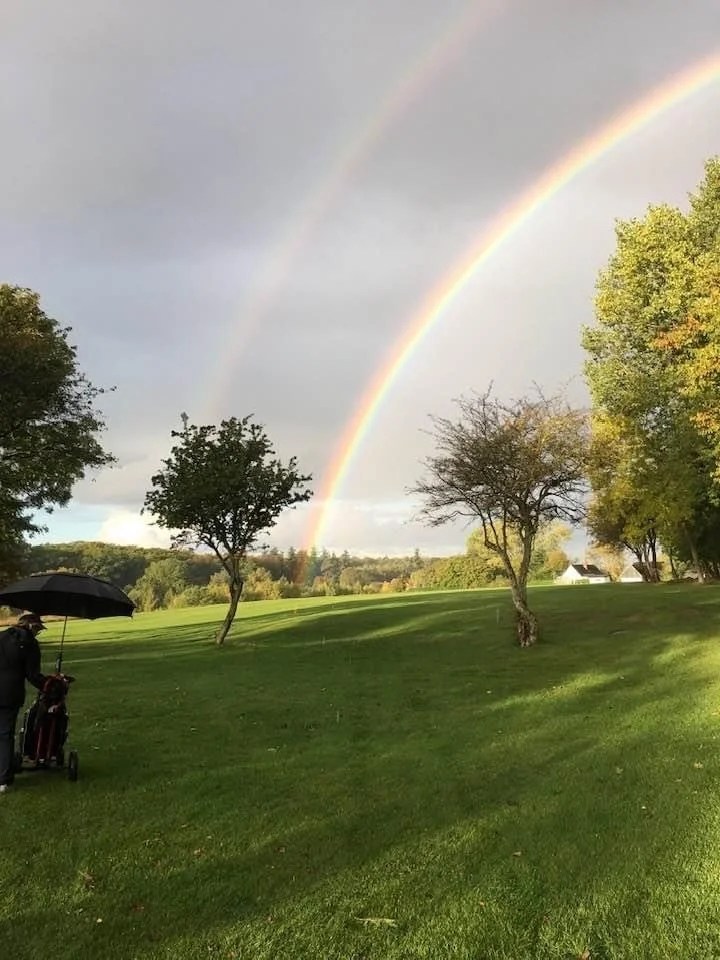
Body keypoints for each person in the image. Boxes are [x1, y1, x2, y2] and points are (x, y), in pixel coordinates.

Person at [0, 613, 47, 794]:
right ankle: (3, 779)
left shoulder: (2, 636)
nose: (37, 633)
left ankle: (7, 768)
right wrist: (49, 685)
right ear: (31, 627)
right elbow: (33, 675)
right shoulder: (30, 644)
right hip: (10, 694)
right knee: (4, 734)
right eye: (37, 630)